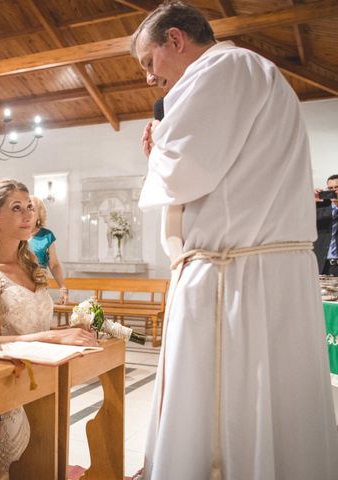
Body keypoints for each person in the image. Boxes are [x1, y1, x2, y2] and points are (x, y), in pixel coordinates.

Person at [131, 2, 338, 479]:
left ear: (176, 40)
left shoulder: (221, 68)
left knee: (226, 412)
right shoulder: (248, 69)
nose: (149, 77)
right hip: (257, 268)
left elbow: (187, 172)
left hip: (237, 276)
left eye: (149, 62)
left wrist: (161, 142)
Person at [0, 179, 96, 478]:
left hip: (45, 378)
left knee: (44, 462)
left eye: (29, 207)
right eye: (16, 208)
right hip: (9, 380)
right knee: (2, 469)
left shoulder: (31, 266)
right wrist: (53, 335)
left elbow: (37, 319)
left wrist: (74, 328)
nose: (27, 215)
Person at [28, 196, 68, 304]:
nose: (28, 212)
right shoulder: (15, 234)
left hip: (39, 286)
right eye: (26, 208)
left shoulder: (46, 235)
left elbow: (54, 264)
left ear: (39, 215)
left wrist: (62, 288)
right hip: (17, 286)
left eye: (32, 209)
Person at [313, 174, 338, 275]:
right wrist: (311, 202)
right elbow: (300, 221)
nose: (333, 191)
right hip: (322, 265)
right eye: (330, 188)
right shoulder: (319, 208)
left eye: (336, 188)